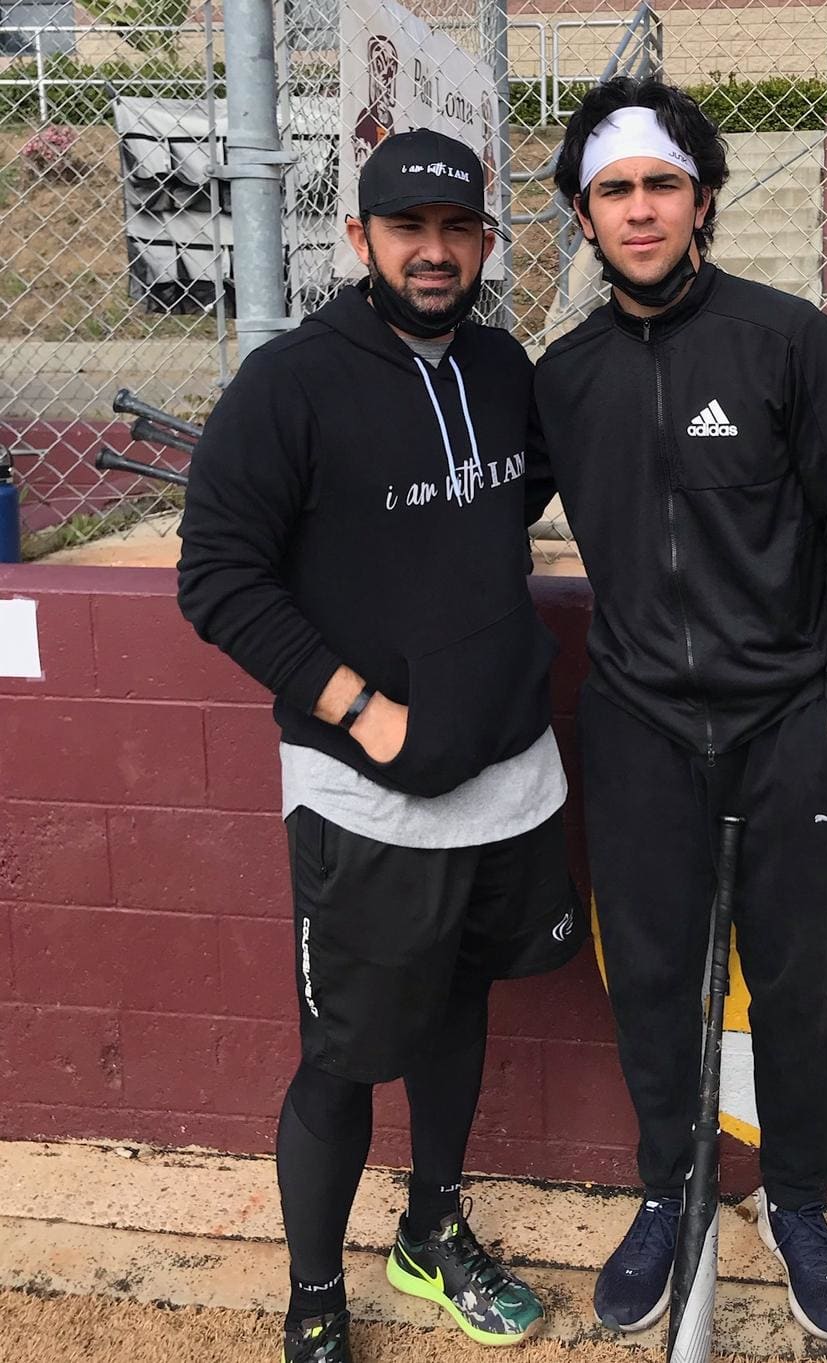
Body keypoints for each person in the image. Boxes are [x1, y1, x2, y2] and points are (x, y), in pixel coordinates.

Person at [177, 128, 584, 1363]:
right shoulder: (289, 386)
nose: (435, 251)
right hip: (367, 795)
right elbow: (217, 578)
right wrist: (363, 706)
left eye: (459, 229)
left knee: (457, 1012)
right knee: (345, 1056)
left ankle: (432, 1230)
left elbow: (498, 509)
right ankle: (314, 1297)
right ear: (359, 238)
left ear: (487, 242)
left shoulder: (504, 368)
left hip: (504, 774)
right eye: (408, 228)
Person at [532, 77, 827, 1343]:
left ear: (702, 200)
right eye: (614, 190)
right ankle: (668, 1193)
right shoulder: (563, 377)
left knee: (790, 976)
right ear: (585, 215)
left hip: (787, 722)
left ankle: (795, 1201)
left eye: (661, 185)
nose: (638, 210)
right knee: (651, 978)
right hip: (637, 722)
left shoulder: (785, 340)